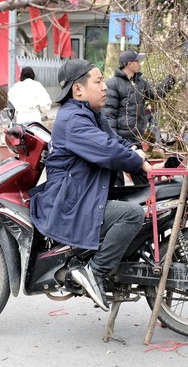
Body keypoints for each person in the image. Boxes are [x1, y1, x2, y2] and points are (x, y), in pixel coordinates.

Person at [30, 59, 152, 311]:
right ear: (78, 90)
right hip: (71, 202)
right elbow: (107, 151)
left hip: (87, 193)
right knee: (132, 214)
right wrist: (137, 162)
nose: (105, 86)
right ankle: (94, 273)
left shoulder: (91, 114)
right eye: (98, 81)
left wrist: (134, 149)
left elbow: (114, 140)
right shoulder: (73, 119)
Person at [103, 50, 176, 185]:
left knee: (143, 178)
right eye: (137, 61)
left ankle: (148, 201)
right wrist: (112, 140)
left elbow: (156, 94)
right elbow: (109, 115)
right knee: (116, 180)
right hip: (119, 139)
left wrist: (171, 78)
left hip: (135, 138)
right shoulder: (113, 84)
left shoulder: (140, 83)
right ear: (129, 64)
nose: (139, 63)